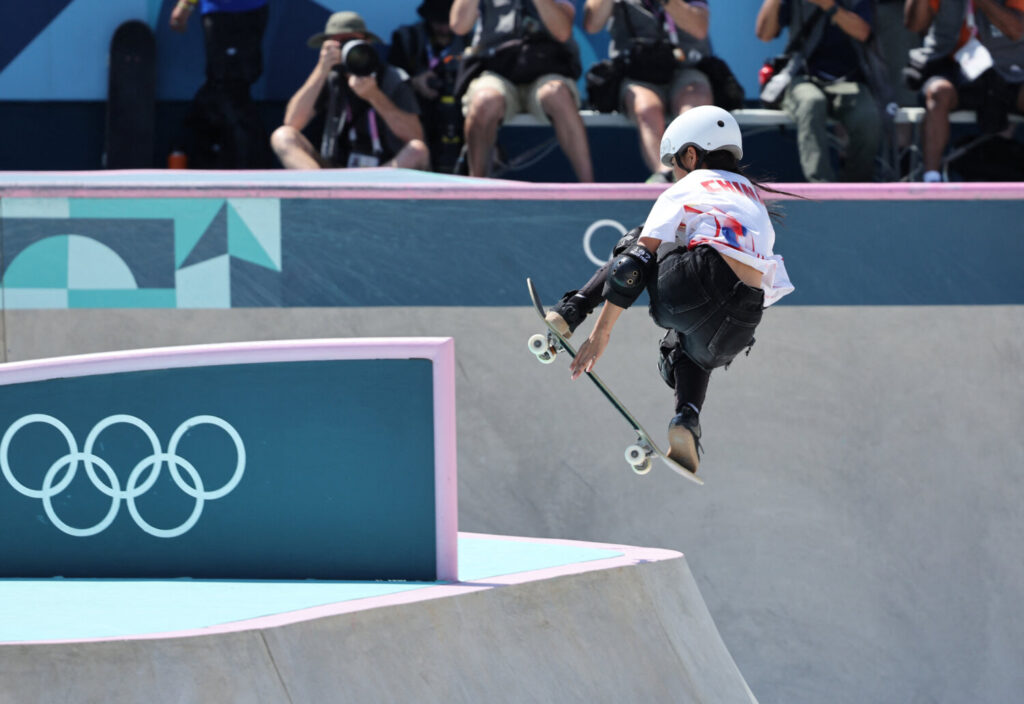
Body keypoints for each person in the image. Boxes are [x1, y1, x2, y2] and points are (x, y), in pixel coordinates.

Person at [542, 106, 794, 474]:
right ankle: (687, 416)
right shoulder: (754, 199)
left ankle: (571, 311)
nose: (674, 173)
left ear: (692, 155)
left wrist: (600, 334)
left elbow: (636, 262)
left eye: (676, 163)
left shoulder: (692, 185)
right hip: (742, 322)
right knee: (685, 348)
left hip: (697, 283)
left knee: (635, 241)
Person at [450, 0, 595, 181]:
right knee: (484, 102)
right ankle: (477, 189)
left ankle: (589, 187)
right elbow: (458, 26)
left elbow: (563, 32)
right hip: (497, 71)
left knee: (557, 94)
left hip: (546, 69)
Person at [270, 12, 430, 170]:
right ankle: (322, 191)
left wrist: (374, 96)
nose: (347, 48)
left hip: (384, 171)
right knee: (283, 136)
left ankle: (365, 191)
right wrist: (321, 69)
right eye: (338, 43)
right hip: (336, 171)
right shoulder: (329, 77)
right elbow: (292, 123)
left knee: (417, 151)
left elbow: (415, 136)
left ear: (367, 42)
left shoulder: (392, 77)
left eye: (352, 41)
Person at [582, 0, 714, 183]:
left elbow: (699, 28)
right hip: (636, 73)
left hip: (686, 69)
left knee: (693, 108)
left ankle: (691, 176)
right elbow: (592, 24)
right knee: (646, 108)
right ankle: (666, 173)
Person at [756, 0, 882, 182]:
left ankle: (856, 188)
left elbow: (863, 32)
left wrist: (829, 6)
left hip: (847, 78)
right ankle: (822, 189)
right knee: (811, 102)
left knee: (867, 115)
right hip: (802, 76)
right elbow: (764, 34)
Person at [904, 0, 1024, 182]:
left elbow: (1016, 30)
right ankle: (931, 181)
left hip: (1008, 69)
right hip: (953, 66)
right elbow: (914, 25)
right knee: (938, 92)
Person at [169, 0, 271, 168]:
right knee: (222, 84)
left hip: (251, 10)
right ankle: (181, 156)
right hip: (219, 11)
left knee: (235, 86)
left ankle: (251, 167)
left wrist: (186, 5)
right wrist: (186, 4)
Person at [388, 0, 468, 172]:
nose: (444, 29)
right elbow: (389, 79)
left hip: (460, 115)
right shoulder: (406, 39)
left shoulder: (470, 41)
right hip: (419, 114)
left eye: (448, 22)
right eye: (439, 22)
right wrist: (414, 82)